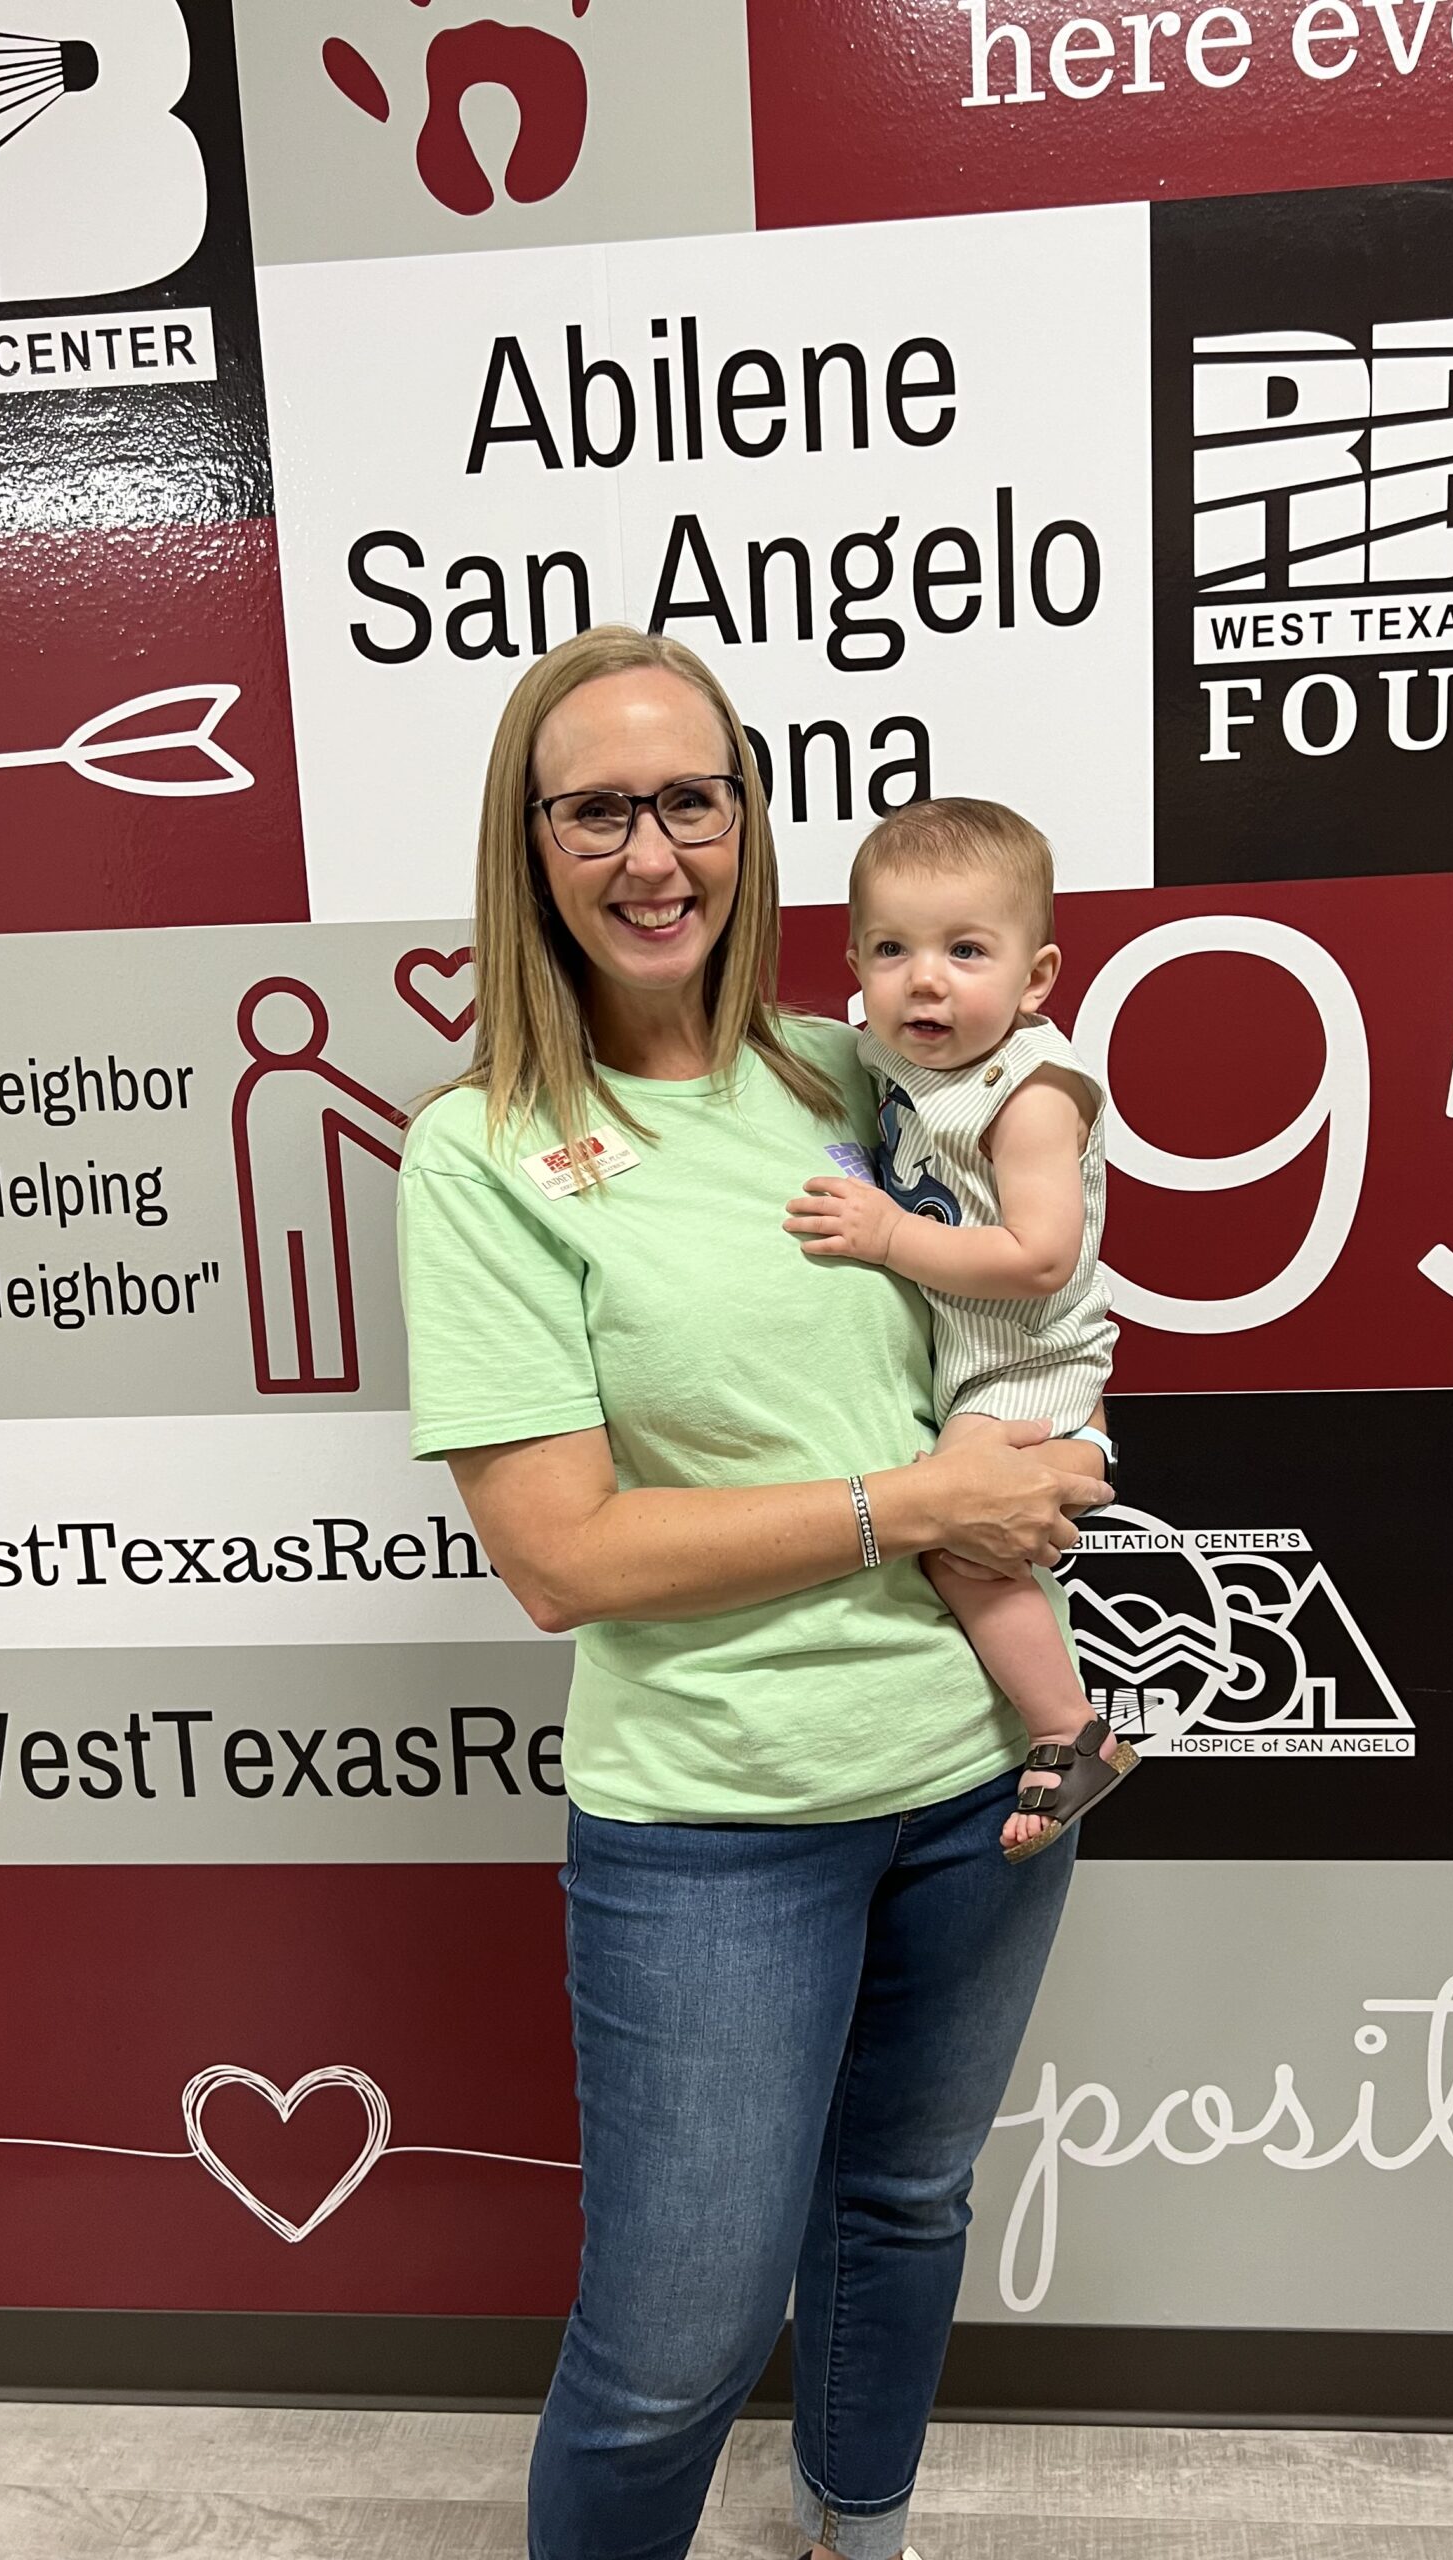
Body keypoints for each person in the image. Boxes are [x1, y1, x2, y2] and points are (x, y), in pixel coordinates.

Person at [396, 625, 1110, 2560]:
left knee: (899, 2210)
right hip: (715, 1819)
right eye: (596, 810)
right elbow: (560, 1560)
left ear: (749, 821)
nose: (652, 856)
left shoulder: (853, 1070)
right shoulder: (481, 1155)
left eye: (689, 800)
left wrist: (1036, 1464)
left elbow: (1013, 1312)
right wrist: (920, 1500)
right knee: (669, 2344)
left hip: (977, 1784)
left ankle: (853, 2532)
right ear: (526, 845)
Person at [784, 799, 1135, 1859]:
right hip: (974, 1363)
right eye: (892, 950)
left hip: (1031, 1362)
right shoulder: (892, 1050)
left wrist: (889, 1237)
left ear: (1036, 980)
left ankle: (1070, 1729)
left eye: (966, 951)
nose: (924, 979)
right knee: (950, 1528)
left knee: (961, 1543)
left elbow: (1039, 1255)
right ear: (854, 961)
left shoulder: (1030, 1092)